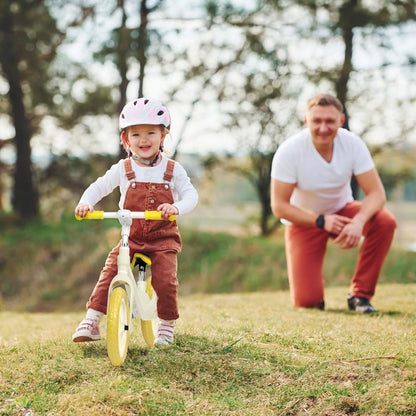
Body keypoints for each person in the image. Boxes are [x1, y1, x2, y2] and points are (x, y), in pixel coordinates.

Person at [72, 97, 198, 345]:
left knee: (165, 280)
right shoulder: (123, 168)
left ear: (163, 136)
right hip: (132, 236)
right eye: (136, 134)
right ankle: (92, 319)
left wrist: (175, 207)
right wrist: (86, 203)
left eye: (151, 132)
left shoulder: (173, 170)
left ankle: (166, 324)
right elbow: (99, 187)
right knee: (109, 272)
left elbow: (191, 196)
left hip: (163, 239)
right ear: (125, 140)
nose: (144, 140)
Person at [270, 93, 396, 313]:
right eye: (317, 121)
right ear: (306, 120)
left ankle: (360, 296)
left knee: (385, 221)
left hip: (342, 211)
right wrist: (320, 220)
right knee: (306, 302)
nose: (323, 128)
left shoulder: (353, 144)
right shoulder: (289, 151)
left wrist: (358, 222)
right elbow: (279, 206)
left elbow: (377, 193)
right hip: (304, 220)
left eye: (330, 121)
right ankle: (313, 292)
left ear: (341, 120)